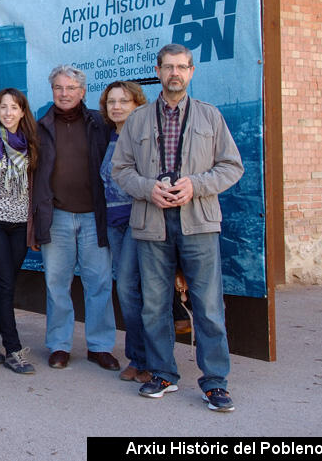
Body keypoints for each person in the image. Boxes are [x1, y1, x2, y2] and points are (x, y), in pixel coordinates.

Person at [113, 44, 243, 412]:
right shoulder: (138, 120)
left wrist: (195, 185)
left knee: (208, 306)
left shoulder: (210, 117)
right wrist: (148, 188)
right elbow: (120, 170)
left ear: (191, 72)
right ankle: (163, 373)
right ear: (158, 70)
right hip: (151, 222)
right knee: (153, 305)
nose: (175, 73)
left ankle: (215, 382)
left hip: (198, 222)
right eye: (168, 67)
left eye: (182, 67)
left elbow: (232, 167)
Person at [33, 65, 119, 372]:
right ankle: (59, 344)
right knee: (57, 284)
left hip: (94, 216)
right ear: (52, 90)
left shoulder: (100, 123)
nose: (64, 93)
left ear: (82, 92)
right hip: (56, 215)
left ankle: (100, 346)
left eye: (71, 88)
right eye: (59, 88)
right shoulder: (40, 125)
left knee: (98, 283)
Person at [0, 88, 40, 375]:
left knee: (6, 284)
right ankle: (13, 349)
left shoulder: (31, 145)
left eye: (14, 107)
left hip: (20, 226)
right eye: (3, 107)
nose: (8, 112)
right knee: (4, 284)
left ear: (23, 112)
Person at [98, 81, 150, 384]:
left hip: (137, 220)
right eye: (111, 102)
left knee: (130, 289)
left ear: (137, 105)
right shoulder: (109, 136)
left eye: (124, 101)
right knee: (129, 290)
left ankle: (144, 359)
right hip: (113, 223)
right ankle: (140, 357)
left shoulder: (143, 137)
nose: (116, 107)